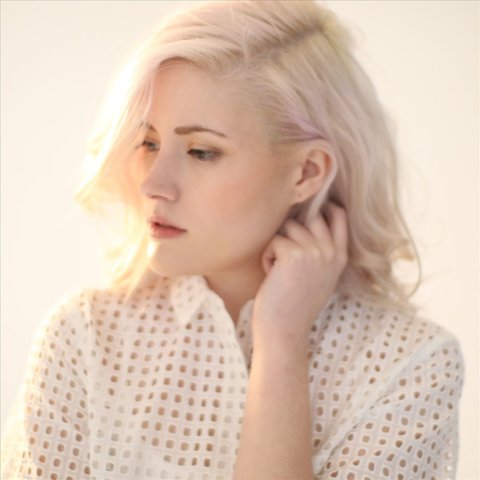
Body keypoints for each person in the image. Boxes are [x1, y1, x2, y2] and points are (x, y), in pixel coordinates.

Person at [1, 1, 465, 479]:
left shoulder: (408, 366)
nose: (153, 183)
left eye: (201, 152)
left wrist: (281, 345)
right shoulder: (84, 339)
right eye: (149, 143)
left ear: (306, 173)